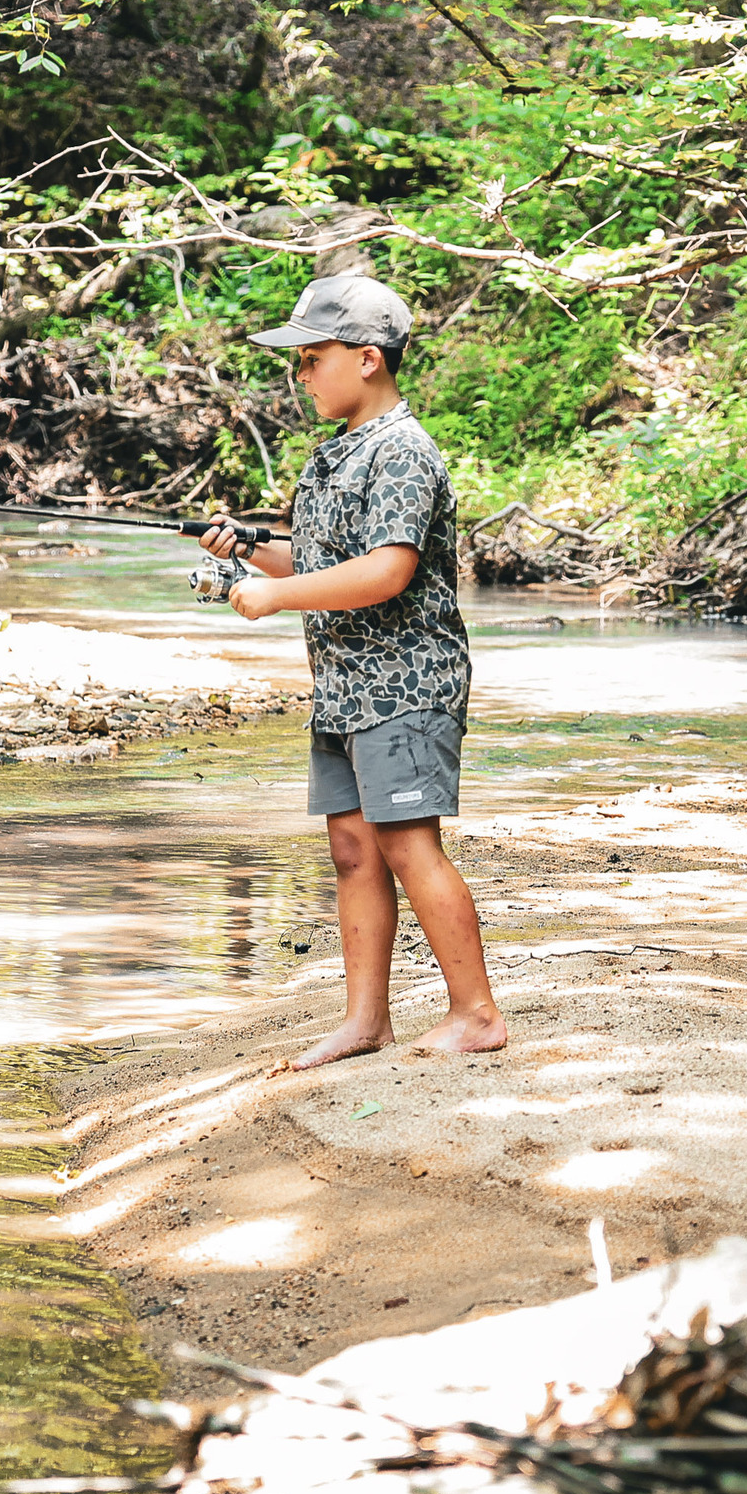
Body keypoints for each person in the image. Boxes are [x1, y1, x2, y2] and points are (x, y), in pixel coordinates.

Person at [201, 272, 506, 1067]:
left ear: (367, 358)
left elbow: (385, 571)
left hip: (406, 686)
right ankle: (366, 1020)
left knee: (408, 845)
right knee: (353, 849)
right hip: (344, 689)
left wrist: (272, 596)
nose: (301, 373)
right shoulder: (335, 455)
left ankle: (476, 1013)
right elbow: (321, 561)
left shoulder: (404, 451)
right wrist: (250, 549)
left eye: (311, 357)